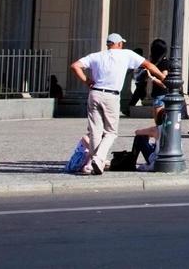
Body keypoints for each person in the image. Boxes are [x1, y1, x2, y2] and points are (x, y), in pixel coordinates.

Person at [71, 33, 165, 175]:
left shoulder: (96, 56)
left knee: (95, 131)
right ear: (119, 44)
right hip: (111, 95)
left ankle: (93, 163)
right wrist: (162, 77)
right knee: (111, 132)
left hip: (94, 93)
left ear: (108, 44)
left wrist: (87, 80)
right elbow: (148, 65)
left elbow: (75, 66)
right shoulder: (126, 54)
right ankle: (98, 158)